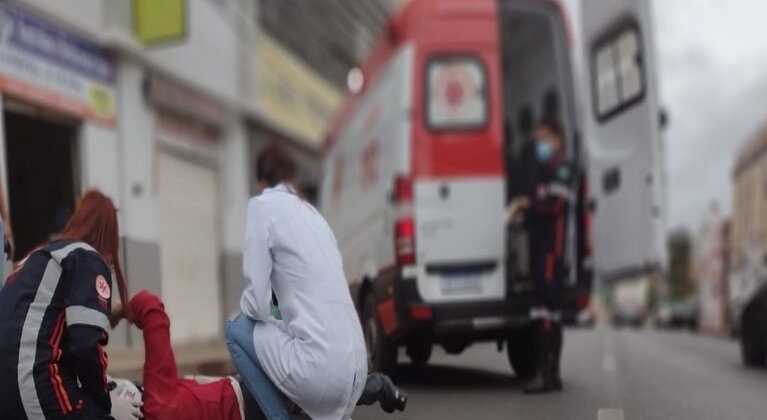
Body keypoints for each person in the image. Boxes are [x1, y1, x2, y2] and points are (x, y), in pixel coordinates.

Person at [227, 143, 369, 420]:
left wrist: (268, 312)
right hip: (356, 370)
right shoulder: (316, 217)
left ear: (260, 180)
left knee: (234, 328)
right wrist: (278, 314)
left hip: (321, 371)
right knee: (286, 332)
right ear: (291, 177)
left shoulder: (262, 205)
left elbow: (256, 304)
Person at [107, 291, 407, 420]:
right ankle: (377, 386)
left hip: (246, 399)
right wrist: (121, 308)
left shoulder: (155, 401)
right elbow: (152, 308)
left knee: (313, 399)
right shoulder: (158, 402)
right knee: (312, 392)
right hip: (248, 398)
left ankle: (375, 387)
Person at [0, 190, 133, 419]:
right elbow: (85, 345)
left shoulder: (37, 257)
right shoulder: (88, 257)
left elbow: (45, 319)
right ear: (107, 234)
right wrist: (106, 404)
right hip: (34, 385)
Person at [509, 117, 572, 394]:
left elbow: (556, 203)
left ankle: (546, 375)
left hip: (551, 250)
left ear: (556, 138)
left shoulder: (561, 167)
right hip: (540, 247)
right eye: (537, 140)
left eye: (544, 138)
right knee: (544, 310)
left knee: (545, 310)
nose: (540, 145)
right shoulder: (545, 169)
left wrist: (529, 204)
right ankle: (550, 374)